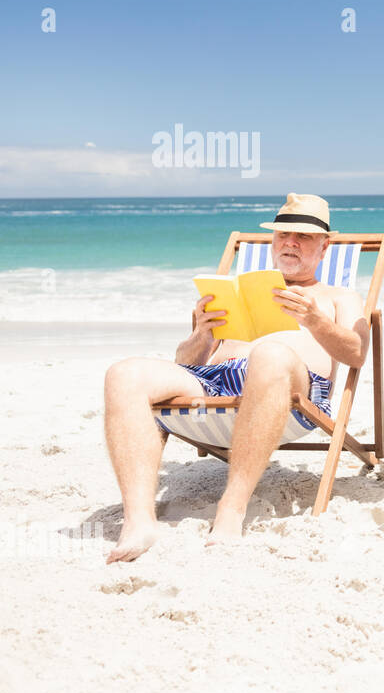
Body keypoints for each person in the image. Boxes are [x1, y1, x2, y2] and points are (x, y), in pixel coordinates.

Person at [103, 194, 368, 562]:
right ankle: (139, 521)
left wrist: (315, 320)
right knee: (124, 374)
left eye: (303, 237)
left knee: (269, 354)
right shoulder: (238, 293)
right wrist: (201, 334)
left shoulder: (339, 296)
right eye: (282, 235)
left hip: (292, 390)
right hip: (215, 382)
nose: (290, 242)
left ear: (324, 247)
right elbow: (186, 364)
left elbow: (356, 352)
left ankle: (231, 509)